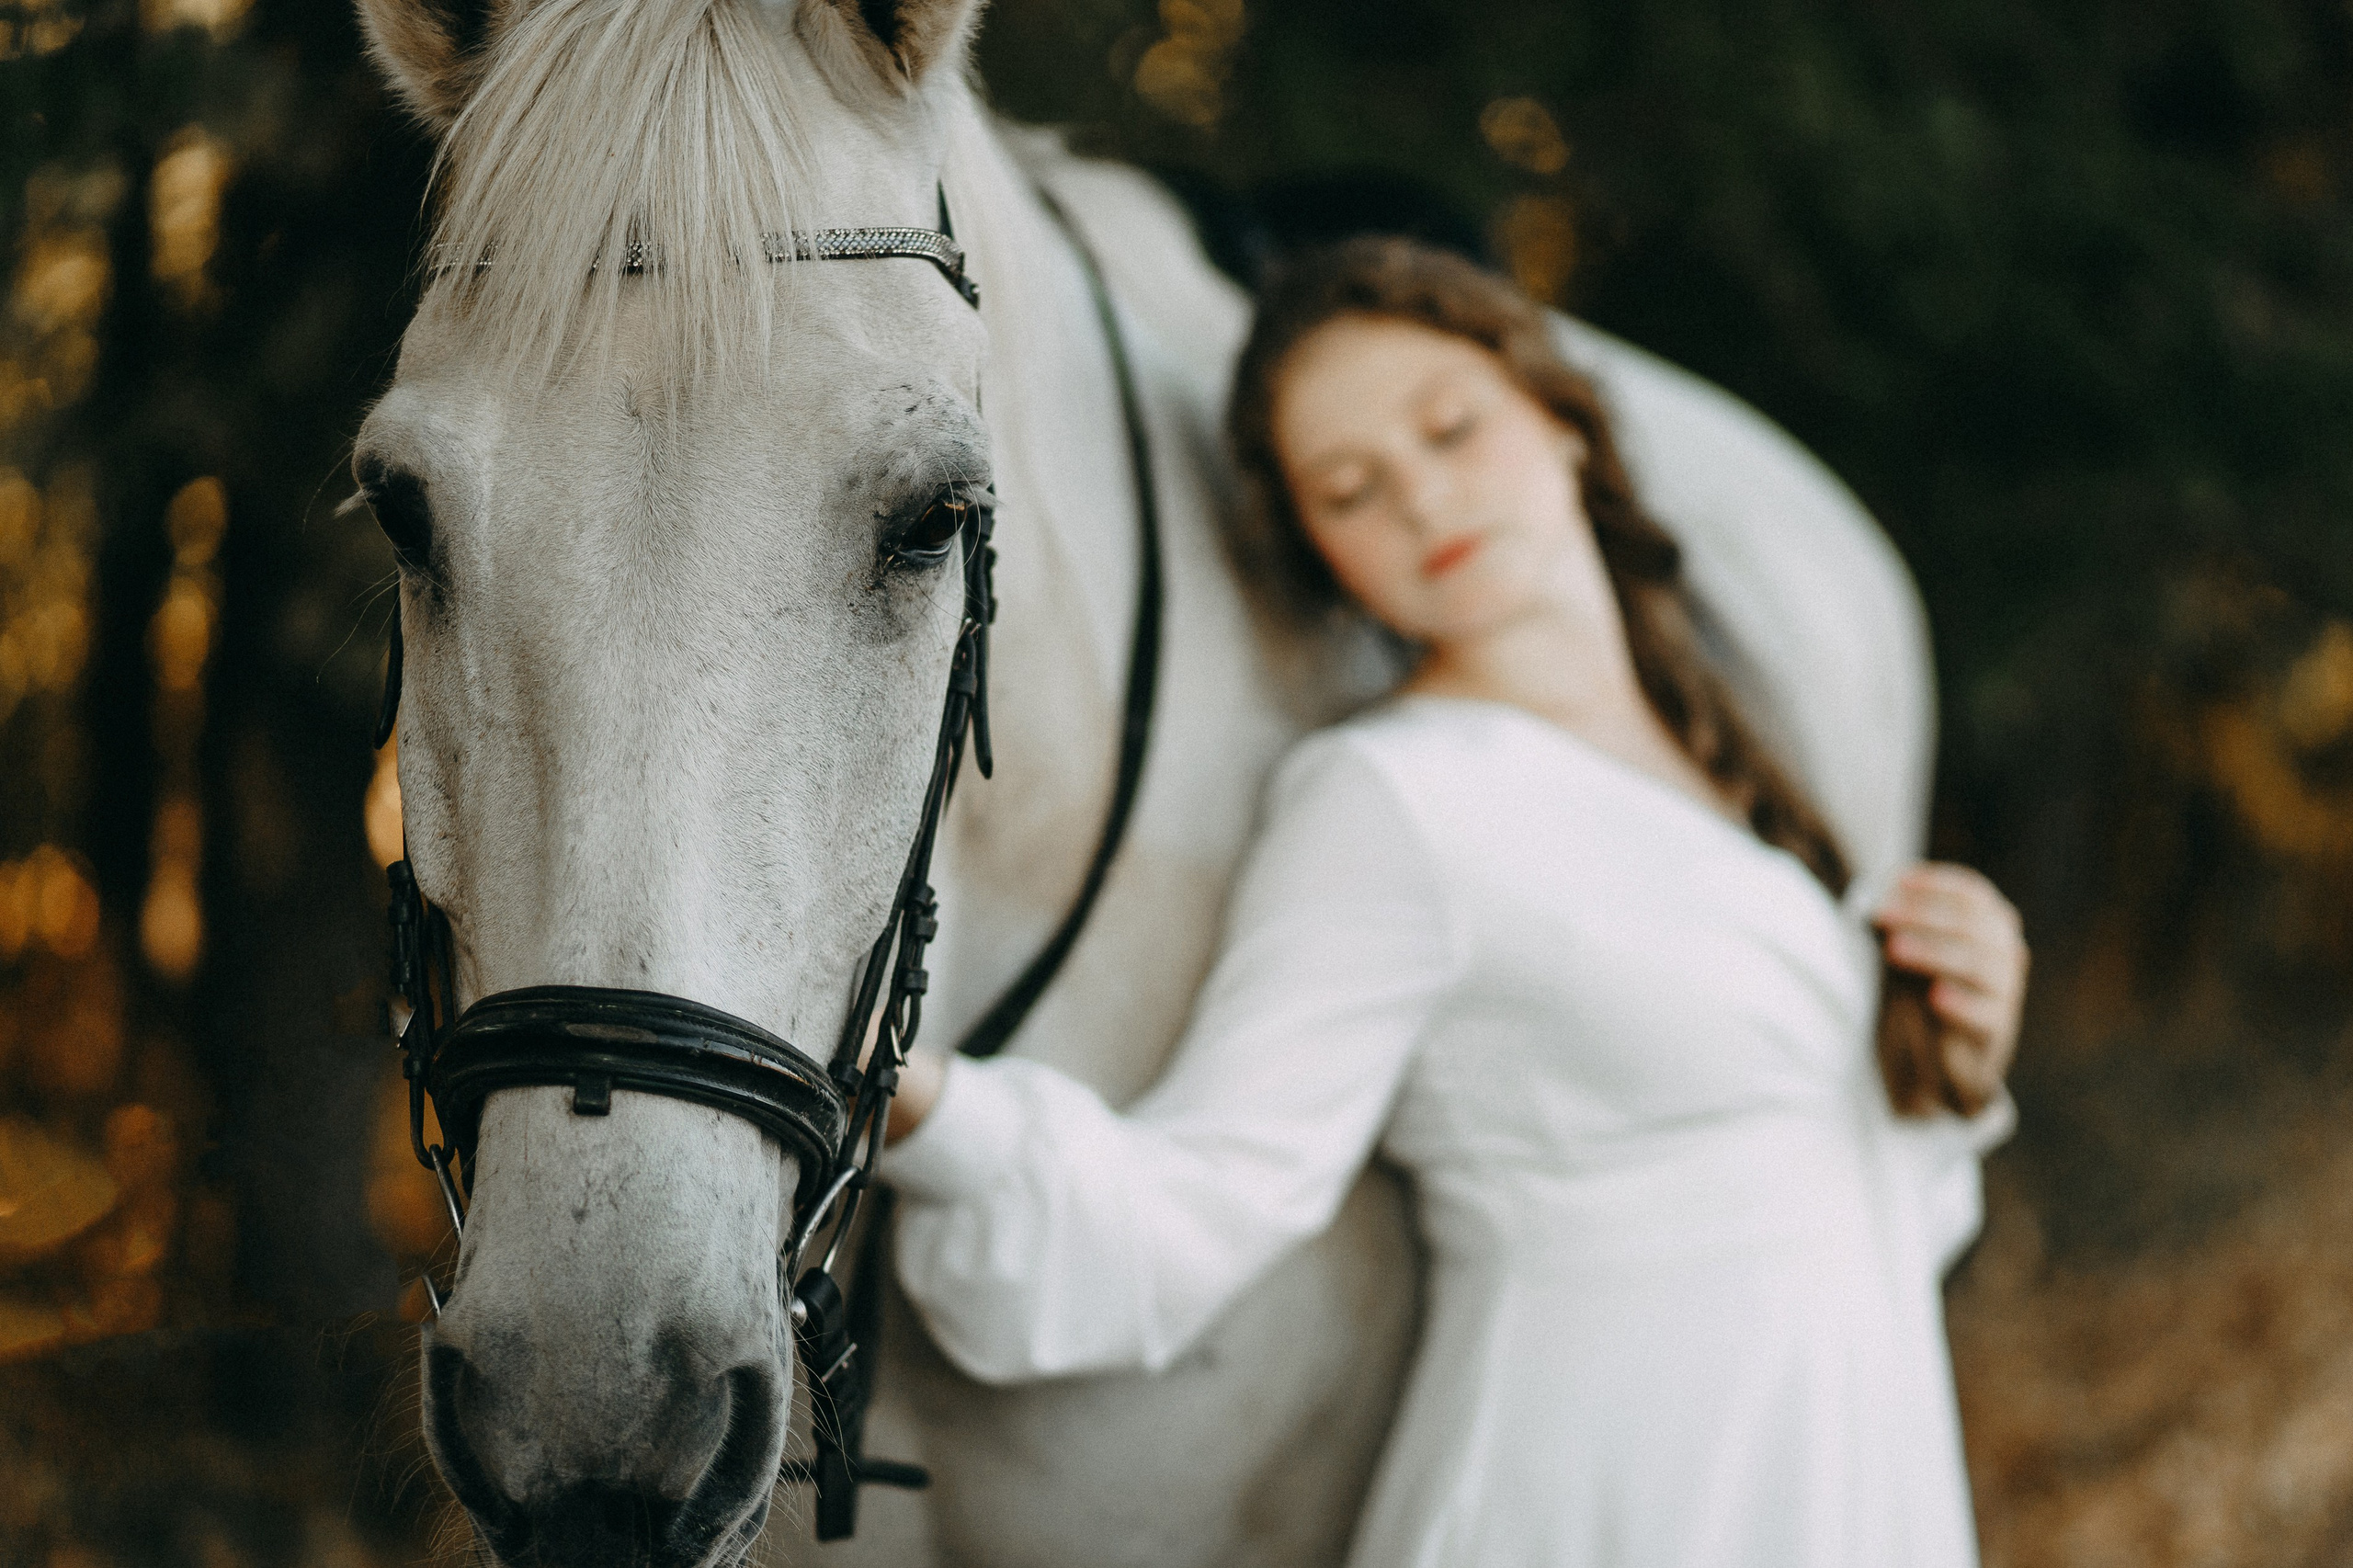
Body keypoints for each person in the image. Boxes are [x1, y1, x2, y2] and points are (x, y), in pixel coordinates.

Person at [881, 236, 2025, 1567]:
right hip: (1603, 1494)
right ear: (1320, 553)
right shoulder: (1388, 802)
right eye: (1352, 487)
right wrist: (909, 1093)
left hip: (1837, 1470)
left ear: (1562, 420)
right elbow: (1215, 1191)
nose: (1422, 498)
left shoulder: (1726, 755)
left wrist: (1956, 1050)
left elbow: (1831, 1197)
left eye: (1450, 427)